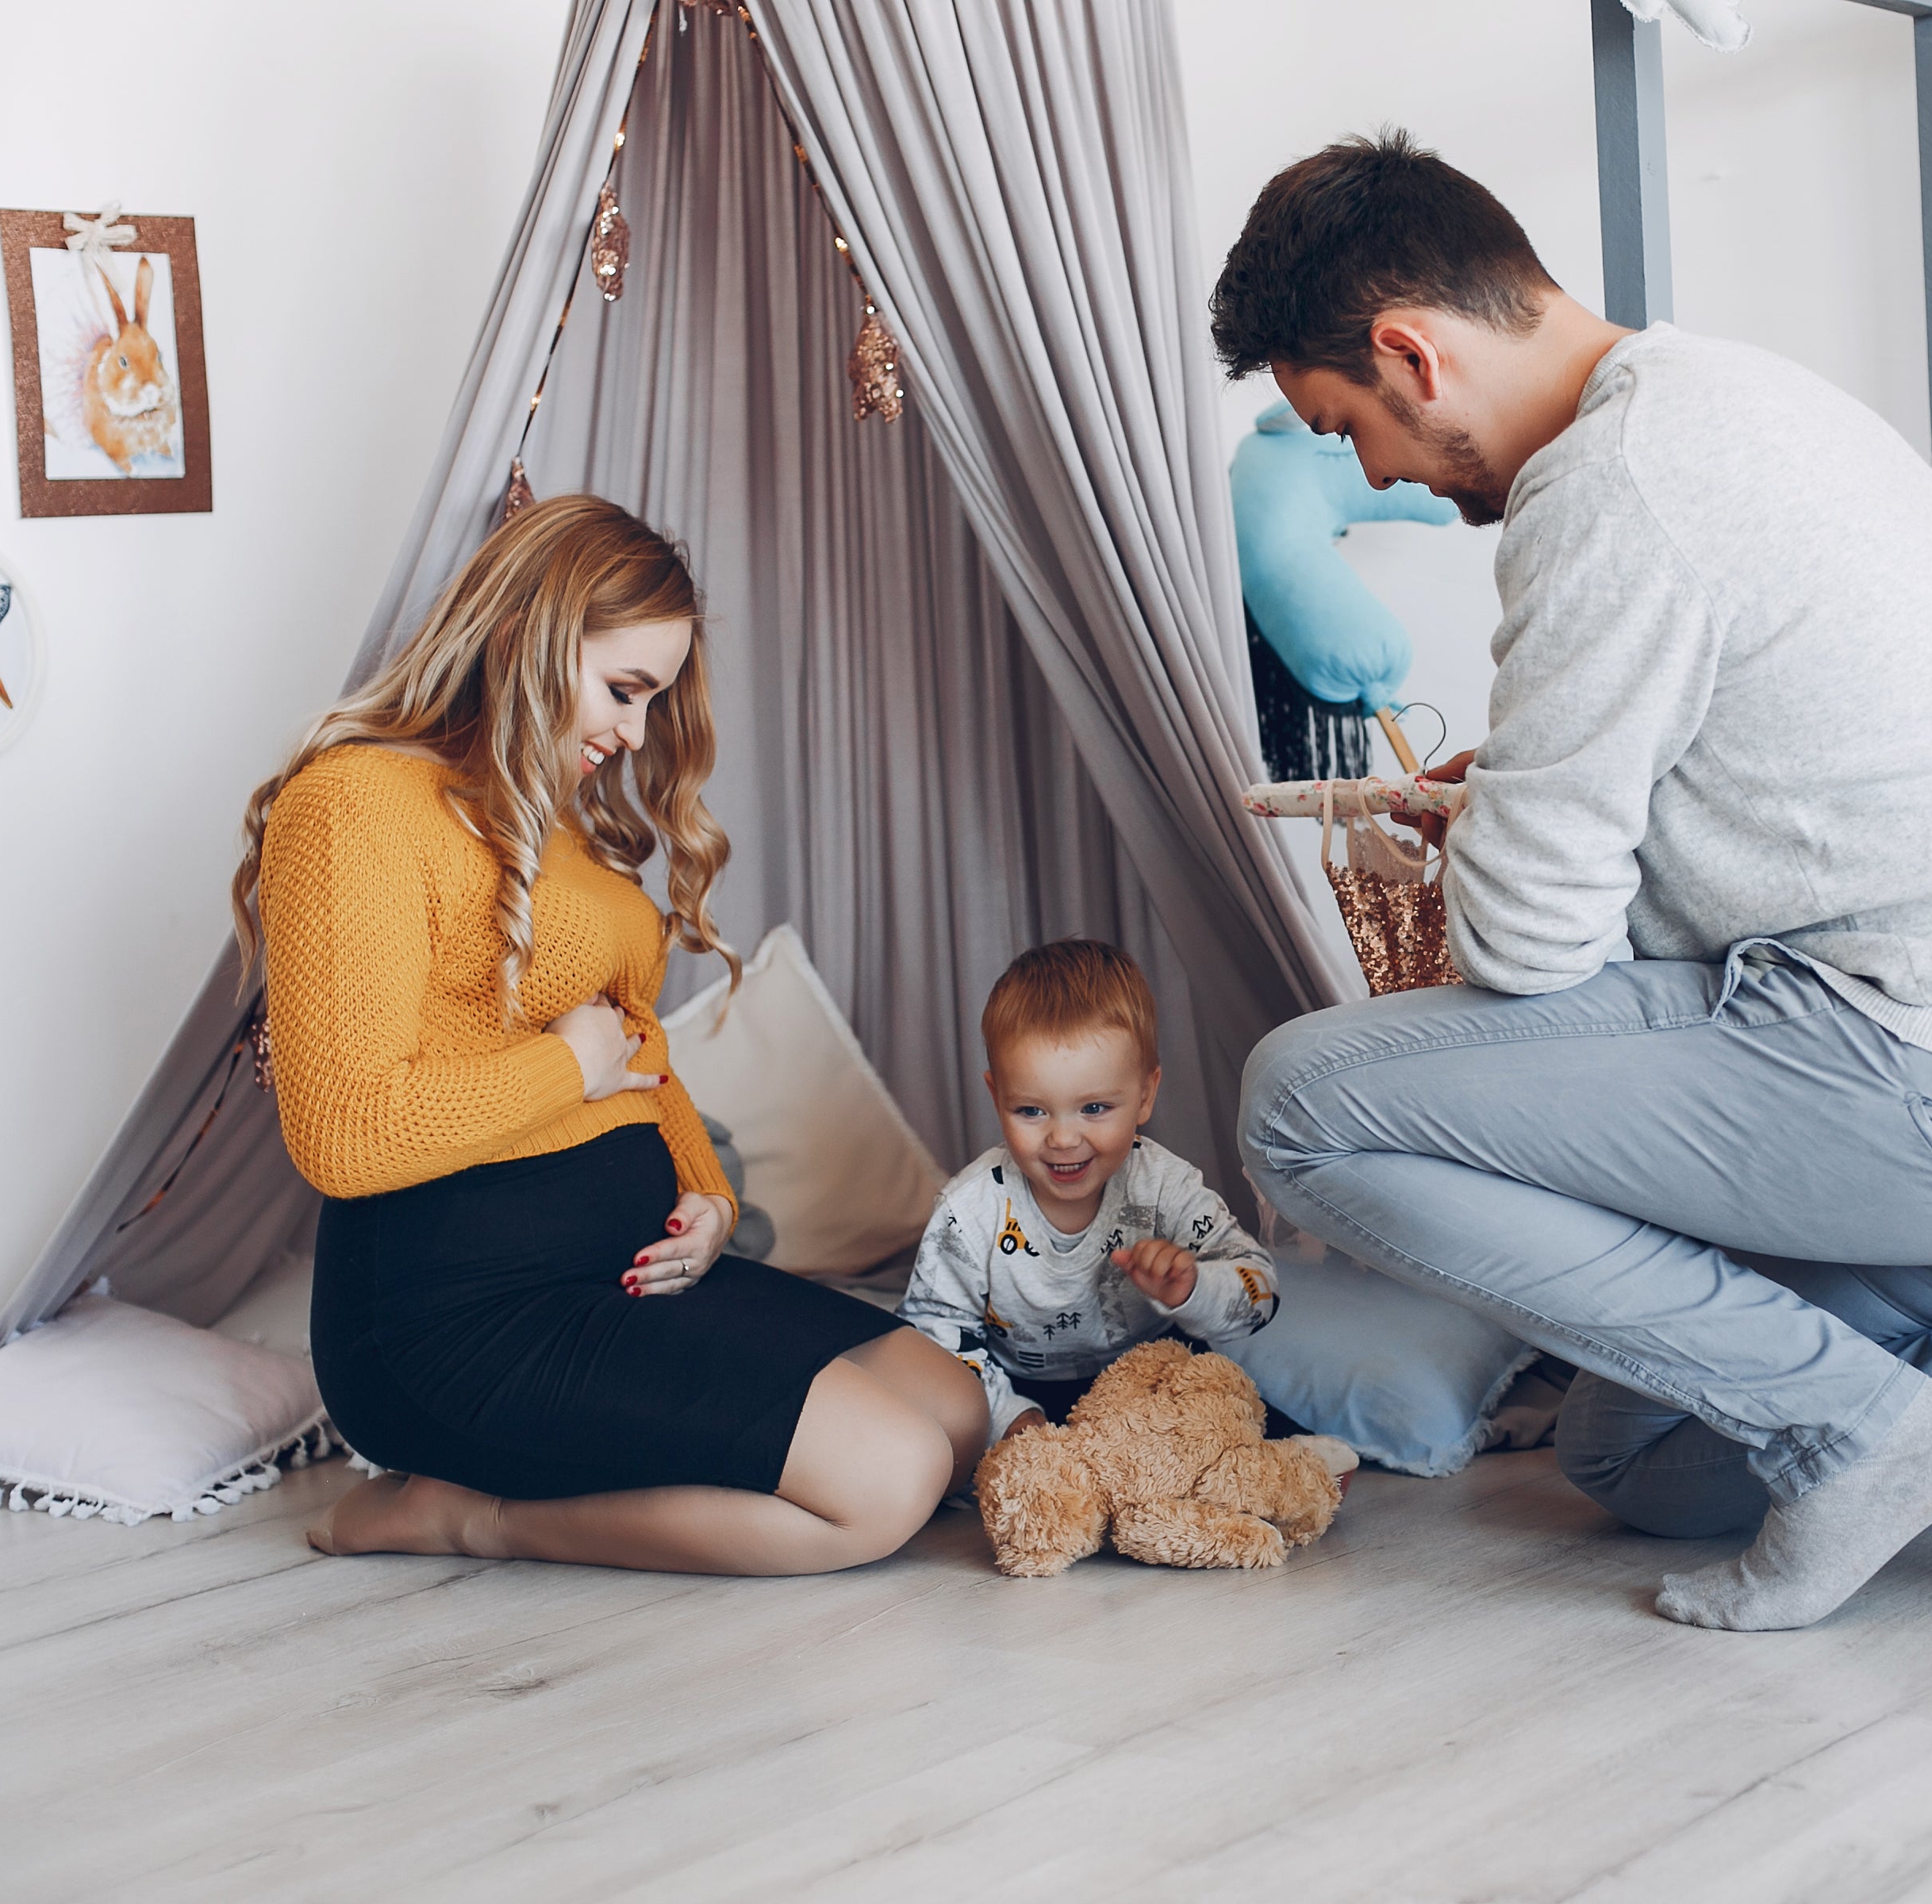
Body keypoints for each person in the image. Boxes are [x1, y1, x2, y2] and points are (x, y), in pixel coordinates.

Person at [1213, 133, 1932, 1630]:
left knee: (1298, 1102)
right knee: (1635, 1447)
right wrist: (1536, 795)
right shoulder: (1743, 398)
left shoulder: (1610, 484)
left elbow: (1526, 948)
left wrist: (1514, 816)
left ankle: (1866, 1431)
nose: (1375, 472)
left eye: (1344, 426)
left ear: (1409, 352)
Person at [233, 493, 986, 1574]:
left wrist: (707, 1197)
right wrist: (565, 1064)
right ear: (529, 636)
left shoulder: (564, 830)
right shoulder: (354, 804)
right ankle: (467, 1516)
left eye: (653, 699)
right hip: (447, 1314)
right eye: (623, 689)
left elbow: (641, 1058)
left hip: (621, 1274)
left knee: (954, 1412)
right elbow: (346, 1137)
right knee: (887, 1484)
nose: (636, 733)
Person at [899, 942, 1336, 1468]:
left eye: (1095, 1108)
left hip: (1153, 1383)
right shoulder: (969, 1212)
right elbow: (933, 1335)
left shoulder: (1163, 1188)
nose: (1063, 1139)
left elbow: (1260, 1292)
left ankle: (1273, 1476)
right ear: (997, 1098)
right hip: (1021, 1390)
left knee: (1235, 1428)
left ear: (1146, 1095)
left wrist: (1192, 1287)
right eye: (1032, 1110)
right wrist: (1007, 1415)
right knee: (939, 1439)